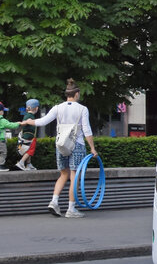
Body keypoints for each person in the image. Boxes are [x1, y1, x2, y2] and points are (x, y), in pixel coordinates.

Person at [23, 79, 98, 218]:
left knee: (63, 174)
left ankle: (54, 201)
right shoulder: (82, 109)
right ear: (76, 94)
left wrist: (28, 121)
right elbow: (87, 130)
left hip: (61, 144)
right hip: (77, 144)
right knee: (74, 176)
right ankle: (71, 208)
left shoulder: (58, 107)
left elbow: (43, 121)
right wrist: (92, 148)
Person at [15, 98, 40, 171]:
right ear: (36, 108)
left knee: (28, 150)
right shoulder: (30, 116)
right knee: (30, 150)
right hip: (30, 137)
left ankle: (29, 164)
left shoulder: (26, 115)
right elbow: (26, 122)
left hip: (27, 135)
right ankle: (21, 162)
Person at [0, 102, 21, 170]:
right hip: (1, 140)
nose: (3, 112)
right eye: (3, 111)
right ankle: (0, 165)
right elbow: (11, 125)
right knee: (3, 152)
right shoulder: (2, 120)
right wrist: (18, 123)